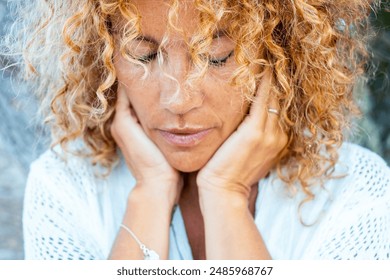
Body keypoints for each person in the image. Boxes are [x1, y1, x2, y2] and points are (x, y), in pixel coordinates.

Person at [4, 0, 389, 260]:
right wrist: (149, 196)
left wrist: (226, 195)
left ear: (278, 57)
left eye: (215, 57)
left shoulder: (354, 190)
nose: (178, 99)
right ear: (104, 57)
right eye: (144, 55)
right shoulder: (66, 185)